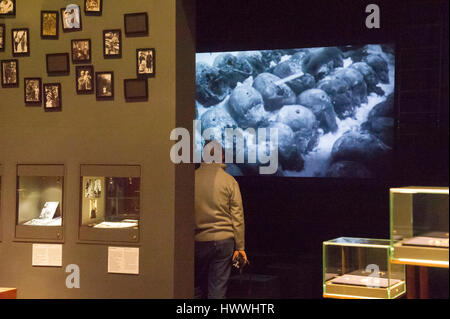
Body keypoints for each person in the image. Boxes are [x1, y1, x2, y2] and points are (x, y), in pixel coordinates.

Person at [194, 140, 248, 299]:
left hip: (197, 241)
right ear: (222, 156)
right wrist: (240, 247)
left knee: (194, 286)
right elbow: (237, 216)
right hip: (224, 242)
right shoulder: (230, 181)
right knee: (217, 289)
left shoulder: (190, 179)